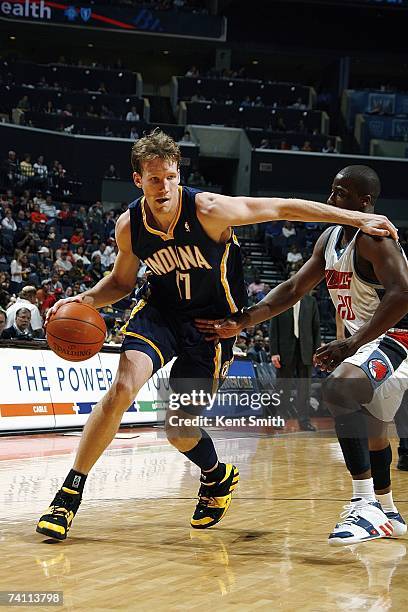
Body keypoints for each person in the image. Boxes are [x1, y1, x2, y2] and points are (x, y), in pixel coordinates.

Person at [36, 132, 397, 541]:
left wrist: (355, 218)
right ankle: (69, 493)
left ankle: (216, 475)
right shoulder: (130, 226)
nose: (164, 187)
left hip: (211, 328)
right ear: (138, 180)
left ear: (178, 174)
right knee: (121, 388)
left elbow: (281, 207)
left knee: (179, 428)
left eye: (171, 177)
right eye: (154, 179)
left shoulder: (208, 209)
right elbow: (120, 282)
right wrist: (81, 298)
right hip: (159, 314)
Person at [196, 165, 407, 546]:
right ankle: (388, 509)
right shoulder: (330, 239)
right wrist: (243, 321)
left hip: (398, 338)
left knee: (339, 392)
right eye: (331, 191)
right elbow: (293, 288)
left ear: (365, 202)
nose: (331, 201)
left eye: (341, 194)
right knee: (373, 423)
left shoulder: (375, 240)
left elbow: (402, 295)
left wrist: (350, 342)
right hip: (371, 339)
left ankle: (365, 506)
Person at [269, 284, 321, 431]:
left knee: (304, 389)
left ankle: (304, 421)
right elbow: (273, 328)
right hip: (284, 351)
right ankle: (280, 418)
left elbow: (316, 328)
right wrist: (274, 352)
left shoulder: (311, 302)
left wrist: (317, 352)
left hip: (306, 351)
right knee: (282, 387)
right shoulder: (281, 301)